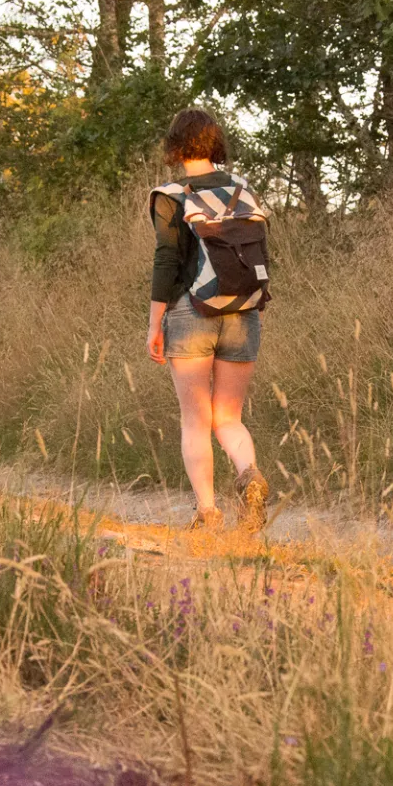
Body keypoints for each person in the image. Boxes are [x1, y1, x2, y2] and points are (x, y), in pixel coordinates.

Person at [146, 108, 272, 532]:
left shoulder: (171, 194)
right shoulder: (241, 188)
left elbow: (167, 261)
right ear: (215, 142)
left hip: (190, 314)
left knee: (195, 420)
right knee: (229, 418)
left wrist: (154, 324)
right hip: (243, 311)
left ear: (176, 146)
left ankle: (208, 512)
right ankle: (248, 473)